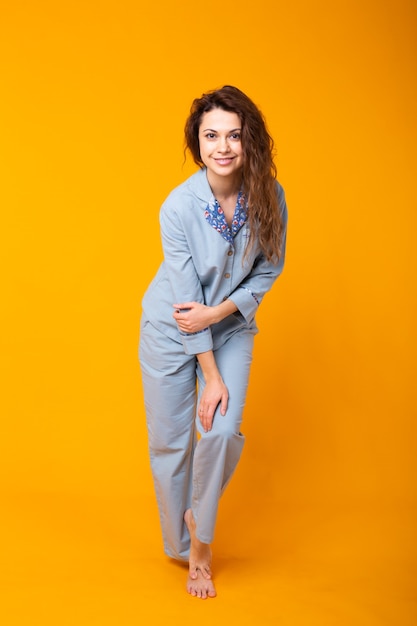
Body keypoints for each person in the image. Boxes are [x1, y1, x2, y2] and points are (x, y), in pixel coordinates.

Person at [139, 85, 287, 599]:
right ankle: (180, 545)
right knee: (171, 444)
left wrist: (222, 313)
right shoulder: (177, 208)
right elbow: (185, 307)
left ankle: (200, 543)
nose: (222, 147)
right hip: (170, 328)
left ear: (250, 142)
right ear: (197, 143)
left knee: (221, 433)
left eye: (233, 135)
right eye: (210, 136)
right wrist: (211, 375)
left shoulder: (271, 194)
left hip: (231, 326)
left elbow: (269, 270)